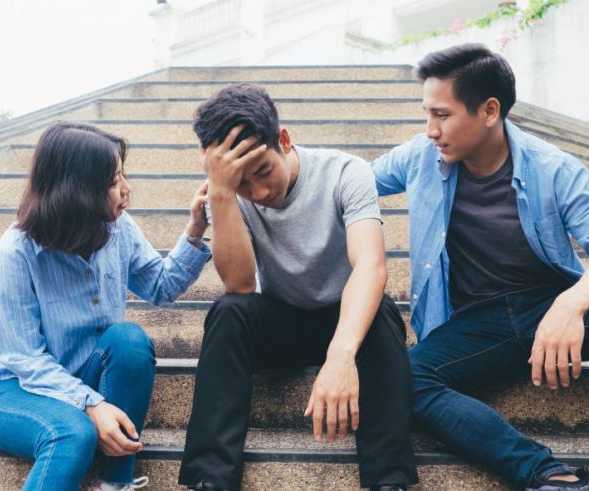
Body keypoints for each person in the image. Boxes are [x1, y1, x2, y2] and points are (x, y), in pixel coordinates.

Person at [371, 43, 589, 490]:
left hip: (549, 306)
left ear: (489, 111)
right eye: (427, 114)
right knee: (406, 378)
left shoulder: (551, 167)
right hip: (477, 326)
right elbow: (346, 181)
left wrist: (569, 306)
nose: (430, 130)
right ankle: (544, 472)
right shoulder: (420, 157)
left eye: (442, 115)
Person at [177, 84, 418, 491]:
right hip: (282, 324)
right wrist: (221, 192)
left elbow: (372, 267)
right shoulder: (228, 192)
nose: (260, 193)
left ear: (284, 140)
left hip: (347, 322)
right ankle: (210, 482)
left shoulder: (345, 172)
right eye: (243, 184)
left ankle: (389, 481)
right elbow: (239, 284)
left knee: (382, 311)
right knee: (228, 311)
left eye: (264, 172)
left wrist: (341, 357)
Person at [0, 121, 211, 491]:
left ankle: (116, 484)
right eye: (113, 180)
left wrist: (195, 230)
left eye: (122, 175)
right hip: (17, 390)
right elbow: (23, 359)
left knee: (128, 340)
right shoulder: (14, 254)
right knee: (72, 433)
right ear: (78, 190)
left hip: (83, 376)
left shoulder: (119, 229)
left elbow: (161, 286)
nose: (126, 189)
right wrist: (90, 405)